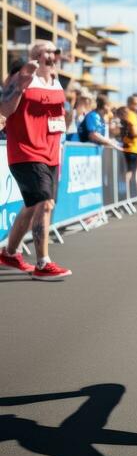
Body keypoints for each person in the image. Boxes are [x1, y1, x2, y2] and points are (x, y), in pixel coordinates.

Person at [0, 41, 72, 280]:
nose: (53, 55)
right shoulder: (22, 77)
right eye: (48, 51)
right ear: (35, 55)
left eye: (55, 51)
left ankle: (10, 254)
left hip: (51, 152)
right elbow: (5, 110)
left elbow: (59, 116)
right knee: (44, 203)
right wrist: (20, 85)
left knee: (33, 205)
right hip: (26, 150)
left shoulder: (56, 80)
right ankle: (43, 263)